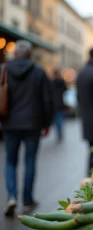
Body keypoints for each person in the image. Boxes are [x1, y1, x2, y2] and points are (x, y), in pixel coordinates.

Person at [0, 40, 53, 216]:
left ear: (15, 54)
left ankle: (12, 197)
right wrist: (47, 123)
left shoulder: (3, 70)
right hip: (33, 123)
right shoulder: (38, 72)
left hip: (9, 123)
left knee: (10, 161)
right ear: (30, 54)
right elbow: (47, 100)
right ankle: (28, 200)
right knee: (30, 161)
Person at [51, 69, 67, 141]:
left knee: (57, 119)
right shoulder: (61, 81)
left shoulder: (51, 82)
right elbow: (65, 90)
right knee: (60, 118)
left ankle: (59, 133)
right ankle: (60, 133)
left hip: (54, 104)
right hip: (60, 103)